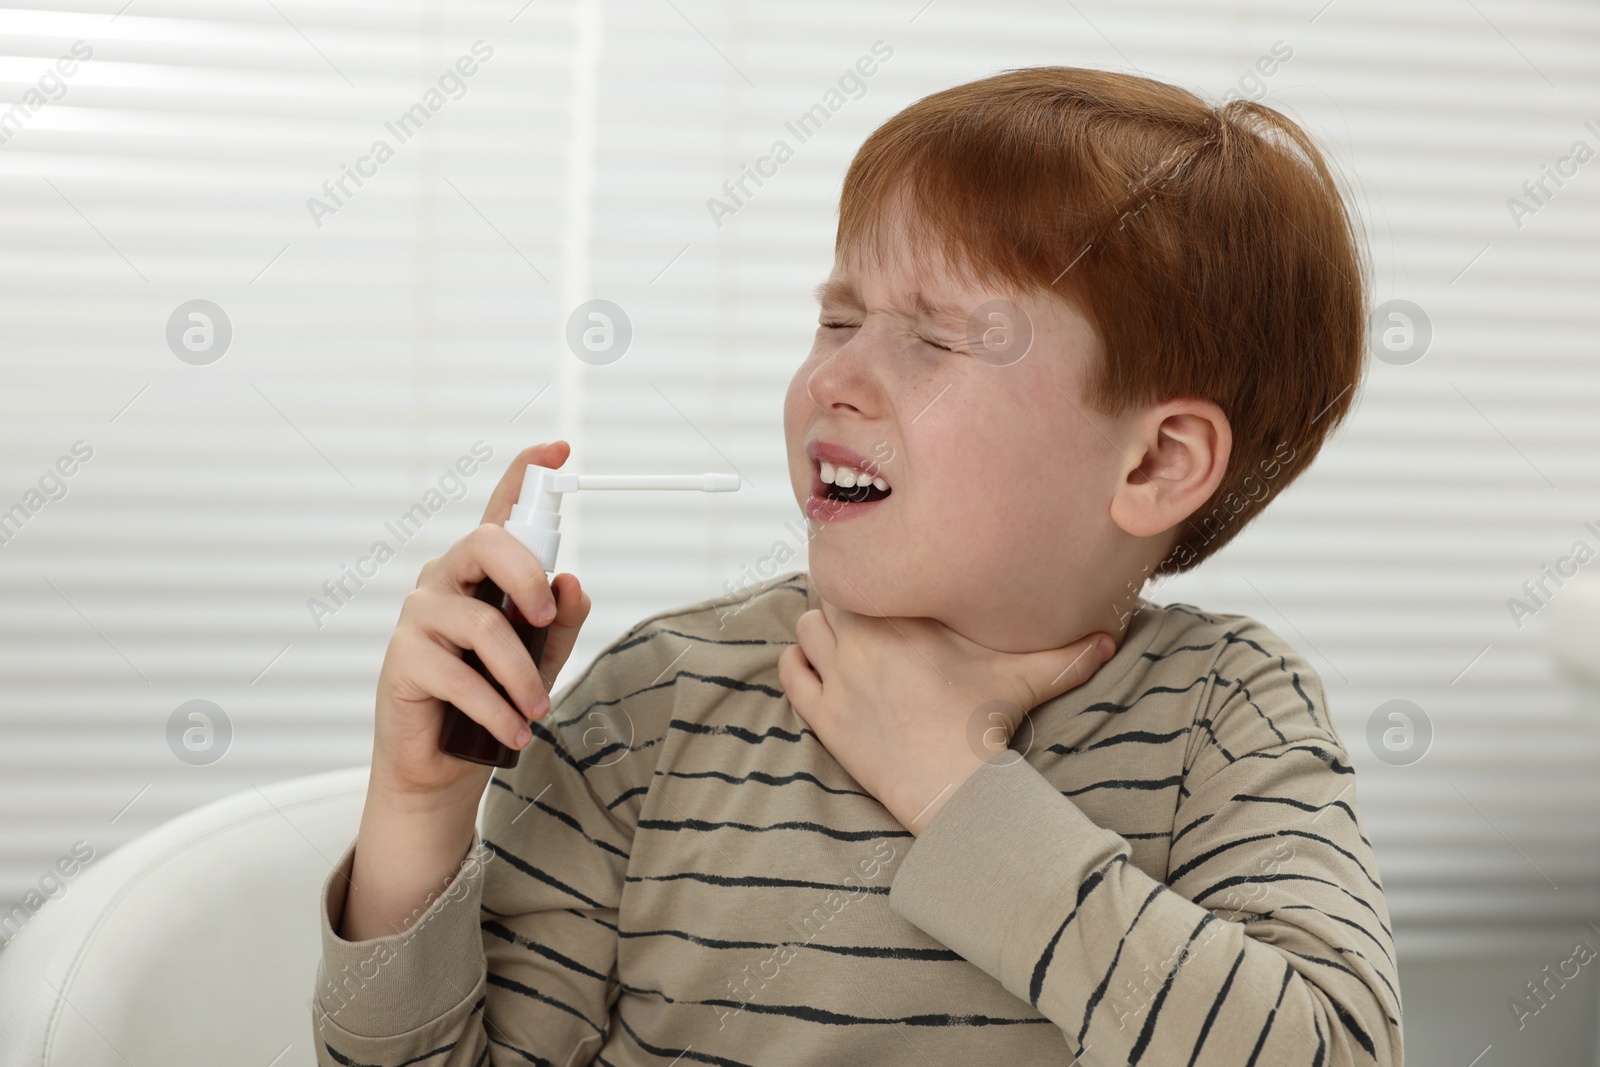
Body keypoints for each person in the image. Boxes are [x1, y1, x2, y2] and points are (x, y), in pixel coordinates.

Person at [312, 65, 1400, 1066]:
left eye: (932, 338)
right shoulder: (654, 706)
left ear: (1157, 462)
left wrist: (956, 787)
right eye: (837, 317)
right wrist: (419, 810)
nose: (836, 376)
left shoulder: (1225, 716)